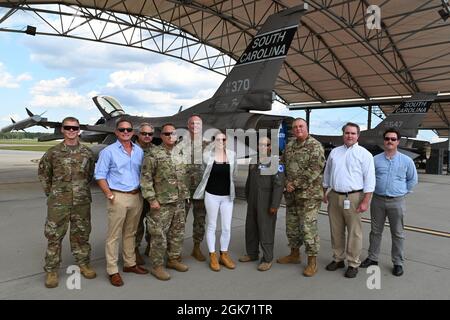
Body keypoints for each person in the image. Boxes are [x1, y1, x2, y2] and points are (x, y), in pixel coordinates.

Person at [38, 117, 96, 288]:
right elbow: (43, 174)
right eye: (68, 127)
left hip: (82, 201)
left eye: (75, 128)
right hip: (58, 203)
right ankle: (52, 270)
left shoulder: (87, 153)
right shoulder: (53, 152)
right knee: (54, 236)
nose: (71, 130)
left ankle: (83, 264)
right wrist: (52, 193)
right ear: (62, 129)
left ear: (79, 130)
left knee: (82, 234)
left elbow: (90, 175)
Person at [95, 118, 148, 287]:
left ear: (133, 132)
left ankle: (129, 264)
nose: (126, 132)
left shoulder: (139, 151)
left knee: (130, 233)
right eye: (122, 130)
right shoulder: (108, 151)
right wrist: (109, 195)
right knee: (113, 236)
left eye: (129, 130)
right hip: (117, 196)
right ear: (116, 132)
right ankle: (112, 270)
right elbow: (100, 175)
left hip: (136, 196)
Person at [360, 128, 418, 276]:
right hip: (378, 200)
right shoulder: (375, 160)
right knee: (375, 232)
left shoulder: (407, 161)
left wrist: (402, 192)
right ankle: (373, 258)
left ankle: (398, 262)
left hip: (397, 202)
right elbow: (368, 178)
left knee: (398, 233)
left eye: (393, 139)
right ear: (384, 141)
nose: (390, 141)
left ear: (398, 141)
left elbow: (412, 179)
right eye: (387, 139)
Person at [322, 122, 375, 278]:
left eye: (353, 133)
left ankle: (353, 263)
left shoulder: (365, 154)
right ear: (343, 134)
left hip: (354, 197)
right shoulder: (334, 153)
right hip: (335, 195)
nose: (349, 136)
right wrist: (324, 191)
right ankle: (338, 259)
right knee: (336, 231)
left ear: (358, 136)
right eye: (347, 133)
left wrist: (366, 200)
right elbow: (327, 173)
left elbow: (370, 180)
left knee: (354, 232)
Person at [140, 123, 190, 281]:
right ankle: (157, 266)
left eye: (173, 133)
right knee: (159, 235)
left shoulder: (181, 152)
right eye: (167, 134)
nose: (170, 136)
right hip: (161, 203)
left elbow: (185, 175)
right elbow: (146, 179)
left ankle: (173, 259)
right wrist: (151, 199)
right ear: (161, 136)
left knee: (177, 233)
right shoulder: (153, 154)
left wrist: (186, 195)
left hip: (180, 200)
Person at [277, 118, 325, 277]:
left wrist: (294, 184)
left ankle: (312, 261)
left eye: (301, 126)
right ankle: (294, 254)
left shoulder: (315, 146)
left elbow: (315, 169)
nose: (298, 129)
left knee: (308, 228)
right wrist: (284, 182)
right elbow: (282, 164)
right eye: (295, 127)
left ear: (307, 128)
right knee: (291, 226)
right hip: (291, 196)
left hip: (308, 196)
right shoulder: (290, 145)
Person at [239, 136, 284, 271]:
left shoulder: (276, 163)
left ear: (270, 147)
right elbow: (249, 180)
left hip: (266, 201)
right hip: (252, 199)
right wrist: (247, 197)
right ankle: (252, 253)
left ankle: (267, 258)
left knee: (266, 230)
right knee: (251, 227)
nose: (263, 147)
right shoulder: (254, 160)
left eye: (266, 145)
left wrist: (274, 205)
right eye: (260, 145)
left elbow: (279, 185)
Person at [194, 131, 237, 272]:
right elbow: (202, 174)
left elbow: (234, 174)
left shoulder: (232, 155)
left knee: (226, 227)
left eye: (223, 139)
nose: (220, 142)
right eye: (217, 139)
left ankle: (223, 254)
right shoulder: (207, 155)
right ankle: (212, 254)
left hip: (227, 197)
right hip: (211, 195)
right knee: (212, 225)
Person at [179, 115, 208, 262]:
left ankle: (197, 247)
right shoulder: (180, 145)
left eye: (197, 123)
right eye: (191, 123)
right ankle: (175, 250)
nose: (194, 125)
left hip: (201, 190)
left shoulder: (208, 145)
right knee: (179, 221)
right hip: (183, 190)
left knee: (200, 219)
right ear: (187, 125)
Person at [134, 122, 154, 265]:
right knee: (137, 225)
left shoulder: (156, 150)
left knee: (153, 223)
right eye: (144, 133)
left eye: (150, 134)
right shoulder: (131, 149)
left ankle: (150, 247)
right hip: (136, 193)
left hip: (152, 193)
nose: (147, 136)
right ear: (138, 134)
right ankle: (134, 251)